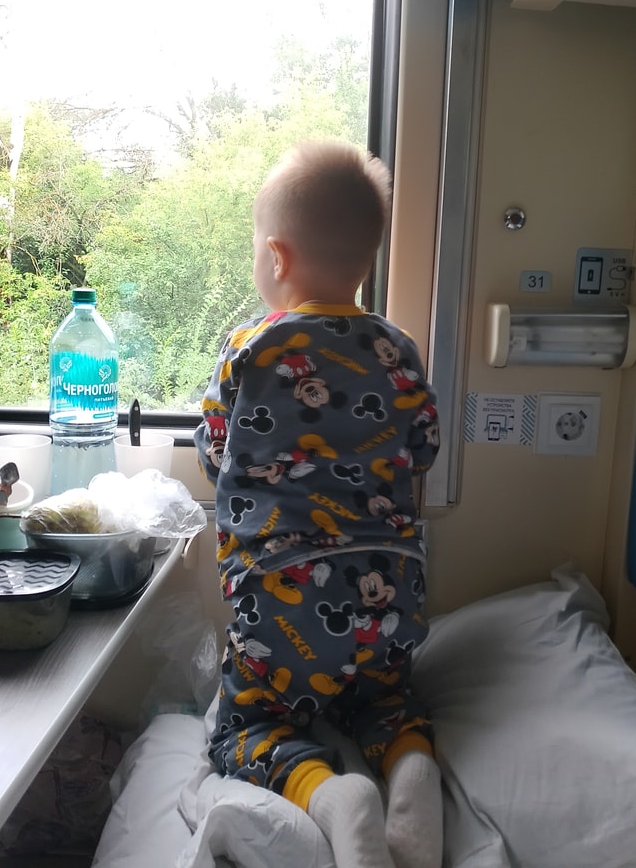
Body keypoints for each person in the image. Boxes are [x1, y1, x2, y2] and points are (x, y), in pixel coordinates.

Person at [194, 139, 443, 868]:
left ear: (276, 257)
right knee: (386, 700)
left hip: (282, 600)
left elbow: (214, 454)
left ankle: (332, 795)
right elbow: (424, 449)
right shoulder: (398, 350)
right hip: (390, 589)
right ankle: (410, 763)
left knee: (244, 726)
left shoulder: (250, 347)